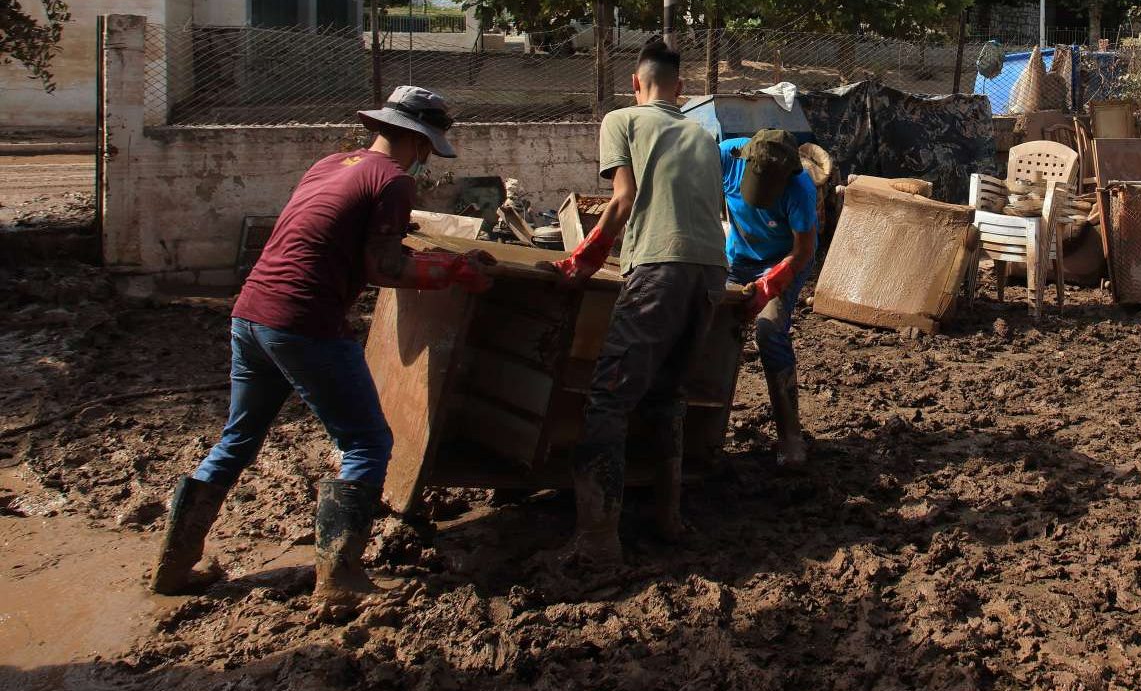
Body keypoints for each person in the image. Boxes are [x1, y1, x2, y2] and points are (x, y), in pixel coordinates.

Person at [150, 86, 495, 607]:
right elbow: (383, 267)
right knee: (367, 444)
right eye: (428, 148)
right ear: (420, 142)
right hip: (304, 321)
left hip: (250, 314)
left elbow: (331, 235)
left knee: (237, 439)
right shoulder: (395, 181)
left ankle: (173, 566)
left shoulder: (332, 162)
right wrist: (454, 269)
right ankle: (338, 580)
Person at [546, 38, 727, 565]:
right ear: (681, 89)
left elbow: (622, 199)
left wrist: (585, 258)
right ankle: (669, 519)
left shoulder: (621, 120)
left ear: (635, 83)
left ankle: (598, 539)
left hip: (660, 270)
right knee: (668, 394)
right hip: (712, 273)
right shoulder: (703, 134)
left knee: (608, 398)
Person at [719, 129, 818, 467]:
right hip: (739, 258)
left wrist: (769, 285)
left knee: (768, 328)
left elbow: (803, 250)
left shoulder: (800, 189)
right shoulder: (727, 156)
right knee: (714, 325)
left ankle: (790, 435)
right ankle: (705, 423)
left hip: (785, 259)